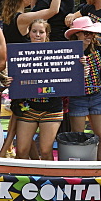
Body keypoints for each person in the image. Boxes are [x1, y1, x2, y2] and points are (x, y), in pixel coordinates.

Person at [10, 18, 64, 160]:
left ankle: (50, 181)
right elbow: (13, 76)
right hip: (29, 108)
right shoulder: (20, 52)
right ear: (29, 33)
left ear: (47, 34)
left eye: (41, 32)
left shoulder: (57, 53)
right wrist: (10, 80)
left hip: (52, 108)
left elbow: (69, 75)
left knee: (46, 151)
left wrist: (81, 68)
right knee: (21, 151)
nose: (38, 35)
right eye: (34, 31)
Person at [63, 17, 101, 161]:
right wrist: (77, 70)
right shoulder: (68, 50)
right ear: (76, 34)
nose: (89, 36)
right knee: (77, 137)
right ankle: (80, 169)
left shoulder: (99, 44)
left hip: (97, 94)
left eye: (91, 33)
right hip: (77, 97)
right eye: (85, 33)